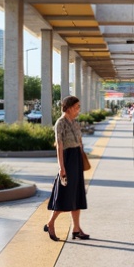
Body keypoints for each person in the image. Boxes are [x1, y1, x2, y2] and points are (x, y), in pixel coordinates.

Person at [45, 95, 90, 241]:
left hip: (76, 157)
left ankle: (76, 229)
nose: (78, 110)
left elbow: (80, 141)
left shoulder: (75, 122)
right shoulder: (60, 123)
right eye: (76, 107)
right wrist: (61, 167)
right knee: (65, 194)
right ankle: (50, 223)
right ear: (69, 107)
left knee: (77, 194)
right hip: (68, 159)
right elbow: (59, 145)